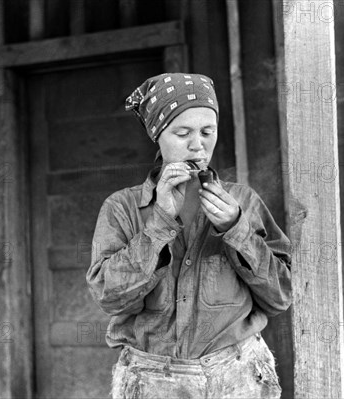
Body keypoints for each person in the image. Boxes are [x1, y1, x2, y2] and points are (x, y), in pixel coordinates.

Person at [86, 73, 292, 398]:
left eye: (208, 132)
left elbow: (280, 295)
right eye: (183, 133)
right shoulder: (122, 208)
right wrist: (160, 223)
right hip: (151, 379)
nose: (198, 144)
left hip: (238, 374)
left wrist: (236, 228)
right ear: (158, 135)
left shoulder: (244, 202)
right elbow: (110, 297)